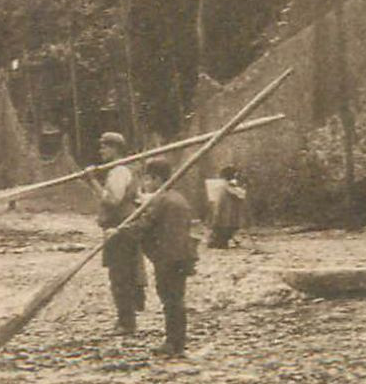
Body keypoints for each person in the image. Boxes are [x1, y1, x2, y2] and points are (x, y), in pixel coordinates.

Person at [116, 157, 198, 357]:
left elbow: (143, 227)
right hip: (184, 256)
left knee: (170, 300)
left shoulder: (160, 200)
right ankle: (177, 343)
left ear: (157, 179)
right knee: (176, 299)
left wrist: (118, 232)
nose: (146, 184)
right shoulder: (179, 198)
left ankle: (172, 344)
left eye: (148, 180)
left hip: (168, 258)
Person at [81, 132, 146, 334]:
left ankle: (127, 322)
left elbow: (112, 201)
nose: (101, 151)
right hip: (122, 228)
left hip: (120, 229)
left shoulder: (119, 172)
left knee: (120, 276)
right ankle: (126, 319)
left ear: (115, 149)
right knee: (123, 274)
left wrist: (92, 181)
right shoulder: (123, 170)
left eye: (104, 147)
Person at [206, 165, 247, 249]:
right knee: (225, 227)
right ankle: (219, 242)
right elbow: (240, 194)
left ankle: (218, 241)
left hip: (225, 212)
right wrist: (241, 189)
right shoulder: (227, 185)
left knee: (223, 226)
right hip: (226, 213)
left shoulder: (224, 185)